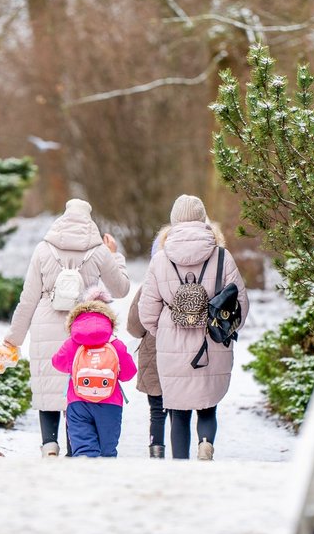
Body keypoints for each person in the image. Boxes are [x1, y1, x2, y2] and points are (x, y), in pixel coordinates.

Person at [4, 198, 131, 457]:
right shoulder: (98, 251)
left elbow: (28, 298)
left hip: (45, 322)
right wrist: (115, 255)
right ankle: (77, 450)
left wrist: (13, 338)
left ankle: (49, 445)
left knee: (47, 388)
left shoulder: (43, 249)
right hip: (83, 328)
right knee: (79, 390)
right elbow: (121, 289)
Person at [138, 195, 249, 460]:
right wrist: (227, 329)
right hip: (211, 341)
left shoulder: (161, 259)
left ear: (173, 220)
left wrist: (163, 330)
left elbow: (147, 311)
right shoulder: (222, 256)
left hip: (171, 344)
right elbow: (240, 303)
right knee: (208, 404)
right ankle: (206, 441)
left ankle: (180, 463)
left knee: (178, 411)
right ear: (203, 219)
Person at [51, 289, 136, 457]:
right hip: (110, 403)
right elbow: (128, 374)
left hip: (77, 403)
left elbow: (57, 362)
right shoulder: (115, 344)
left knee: (83, 450)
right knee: (107, 451)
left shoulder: (72, 343)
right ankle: (104, 479)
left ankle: (85, 478)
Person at [127, 287, 167, 458]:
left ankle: (156, 452)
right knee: (181, 411)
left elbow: (134, 327)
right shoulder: (197, 277)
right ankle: (182, 456)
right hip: (189, 349)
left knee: (157, 410)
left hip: (155, 350)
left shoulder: (150, 284)